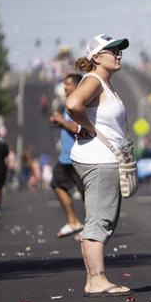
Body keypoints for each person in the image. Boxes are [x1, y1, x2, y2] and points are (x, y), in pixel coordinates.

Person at [66, 34, 133, 298]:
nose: (118, 54)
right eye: (112, 50)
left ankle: (94, 279)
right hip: (99, 160)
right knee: (99, 220)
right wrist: (90, 127)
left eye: (119, 50)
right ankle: (97, 280)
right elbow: (72, 104)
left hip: (99, 158)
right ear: (96, 57)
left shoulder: (104, 84)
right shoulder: (93, 80)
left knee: (100, 218)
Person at [49, 73, 85, 238]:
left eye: (68, 84)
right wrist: (59, 121)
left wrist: (62, 122)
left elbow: (77, 128)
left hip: (79, 156)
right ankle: (73, 222)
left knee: (85, 193)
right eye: (64, 84)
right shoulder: (68, 103)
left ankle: (91, 228)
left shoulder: (79, 103)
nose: (65, 87)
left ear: (78, 85)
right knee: (57, 184)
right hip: (66, 157)